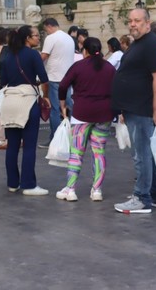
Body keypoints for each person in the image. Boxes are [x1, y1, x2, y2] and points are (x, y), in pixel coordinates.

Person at [111, 8, 156, 214]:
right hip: (134, 108)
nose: (133, 24)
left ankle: (142, 198)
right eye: (130, 21)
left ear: (147, 23)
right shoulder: (140, 44)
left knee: (141, 154)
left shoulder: (152, 44)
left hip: (143, 109)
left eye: (137, 21)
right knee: (146, 153)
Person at [56, 38, 116, 202]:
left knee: (76, 152)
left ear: (85, 51)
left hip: (81, 113)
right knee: (99, 152)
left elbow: (62, 86)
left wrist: (62, 103)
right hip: (104, 113)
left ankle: (71, 189)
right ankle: (97, 190)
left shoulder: (79, 66)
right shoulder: (109, 67)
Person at [0, 25, 50, 195]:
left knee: (12, 145)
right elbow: (44, 79)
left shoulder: (7, 55)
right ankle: (28, 184)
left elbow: (3, 79)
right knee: (29, 145)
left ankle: (12, 183)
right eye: (35, 36)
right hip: (26, 101)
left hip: (9, 100)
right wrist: (46, 96)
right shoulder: (33, 55)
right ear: (27, 38)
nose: (38, 38)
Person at [40, 17, 76, 140]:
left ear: (49, 26)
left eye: (46, 30)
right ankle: (72, 135)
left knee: (55, 109)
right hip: (68, 78)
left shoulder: (51, 38)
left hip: (54, 77)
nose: (47, 32)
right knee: (68, 106)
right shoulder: (69, 38)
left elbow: (43, 57)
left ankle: (55, 138)